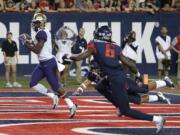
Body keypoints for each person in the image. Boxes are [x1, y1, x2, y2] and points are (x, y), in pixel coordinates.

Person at [66, 25, 166, 134]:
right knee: (100, 86)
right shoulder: (116, 46)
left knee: (127, 109)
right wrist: (137, 73)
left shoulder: (94, 44)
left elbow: (79, 57)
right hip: (118, 76)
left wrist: (68, 56)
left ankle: (157, 119)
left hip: (115, 80)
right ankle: (119, 103)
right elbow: (129, 63)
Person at [19, 13, 77, 118]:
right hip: (43, 63)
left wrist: (25, 43)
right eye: (34, 23)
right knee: (33, 83)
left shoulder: (42, 33)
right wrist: (29, 41)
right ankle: (52, 96)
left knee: (56, 86)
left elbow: (37, 49)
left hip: (48, 63)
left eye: (36, 23)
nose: (35, 25)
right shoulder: (41, 32)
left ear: (41, 23)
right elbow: (37, 45)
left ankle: (71, 104)